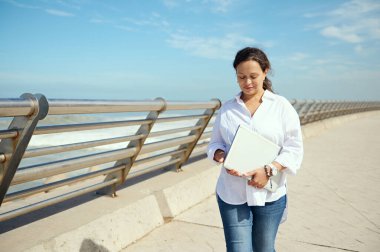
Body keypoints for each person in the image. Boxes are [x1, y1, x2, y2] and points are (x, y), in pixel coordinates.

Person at [207, 47, 303, 252]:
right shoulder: (227, 108)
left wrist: (269, 170)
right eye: (241, 77)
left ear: (265, 71)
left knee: (264, 249)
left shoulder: (281, 106)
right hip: (232, 192)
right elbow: (215, 143)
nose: (247, 82)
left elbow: (294, 148)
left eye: (253, 76)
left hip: (270, 195)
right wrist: (221, 155)